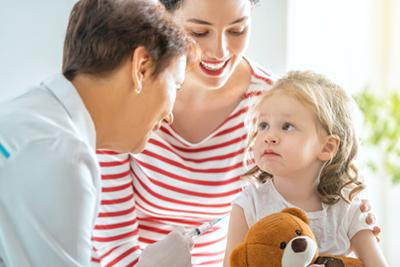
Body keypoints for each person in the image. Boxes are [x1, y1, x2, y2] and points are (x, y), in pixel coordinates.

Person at [94, 0, 380, 266]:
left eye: (237, 29)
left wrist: (344, 209)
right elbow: (113, 240)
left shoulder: (274, 107)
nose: (220, 50)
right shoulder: (129, 94)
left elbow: (305, 188)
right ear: (162, 18)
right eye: (200, 31)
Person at [0, 0, 195, 266]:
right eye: (177, 85)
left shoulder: (30, 117)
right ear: (142, 67)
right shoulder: (62, 154)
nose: (170, 115)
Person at [224, 71, 388, 267]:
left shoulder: (348, 209)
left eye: (287, 126)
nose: (269, 136)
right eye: (264, 125)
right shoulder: (249, 205)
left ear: (327, 147)